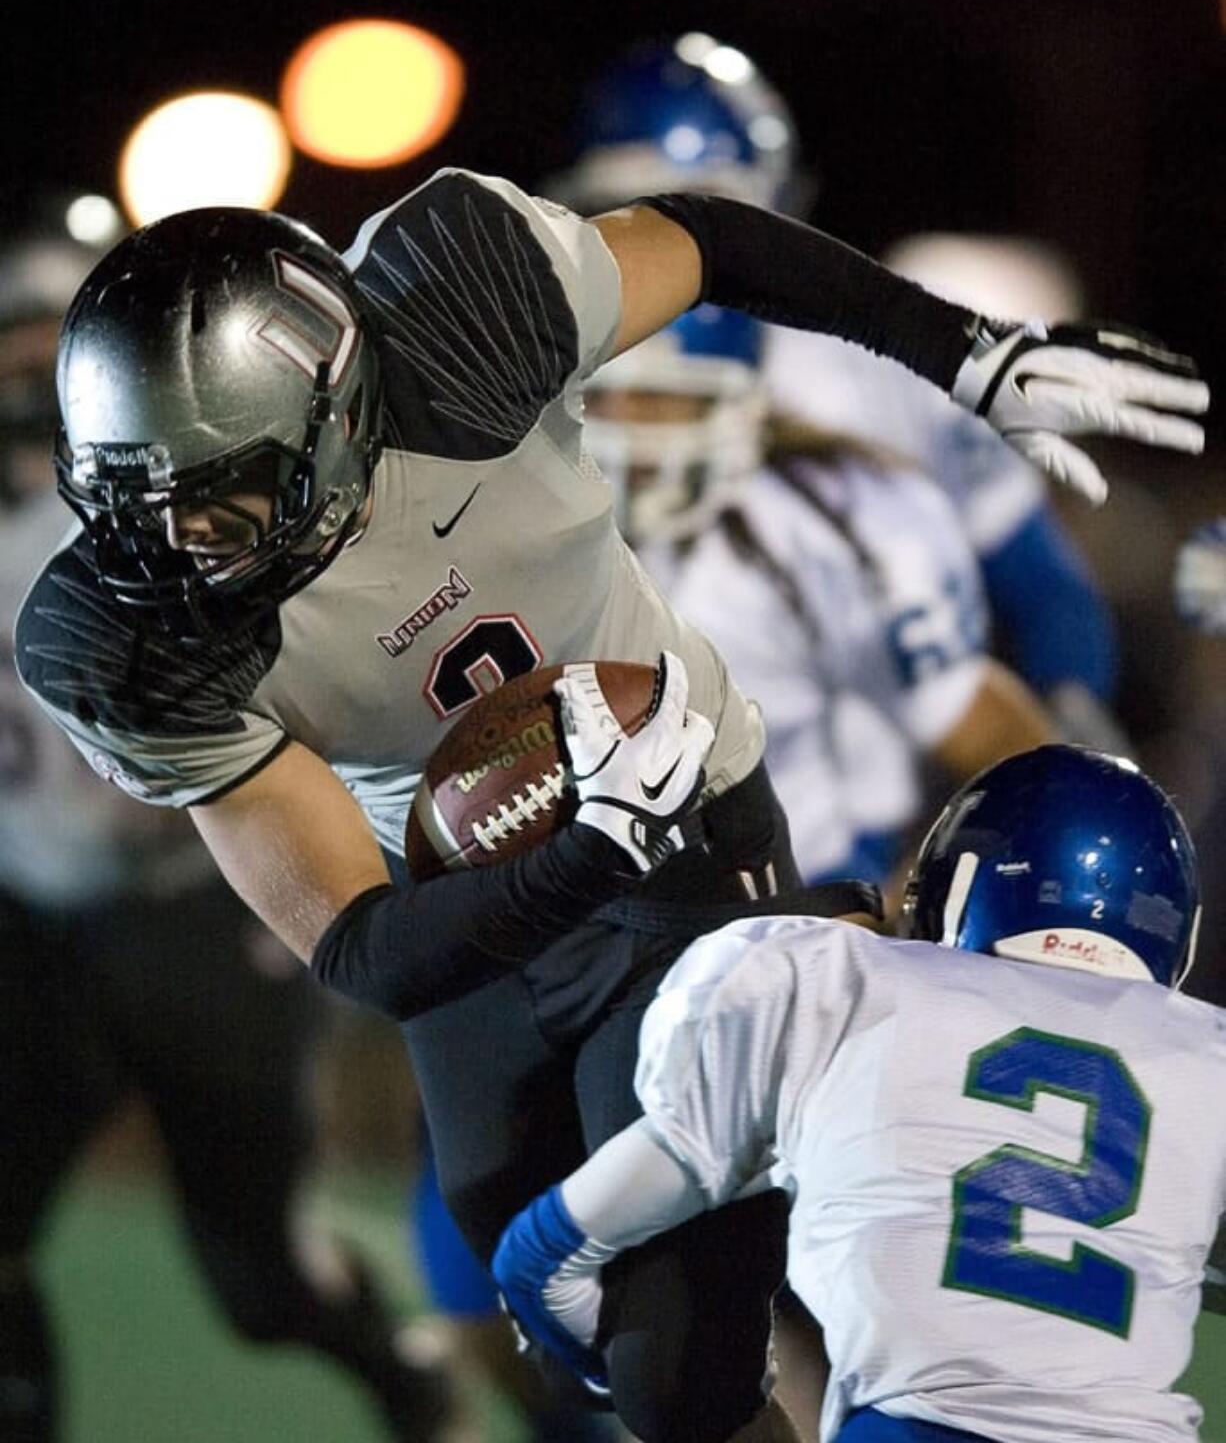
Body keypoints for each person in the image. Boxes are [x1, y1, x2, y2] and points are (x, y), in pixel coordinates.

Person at [15, 166, 1207, 1443]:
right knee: (525, 1296)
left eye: (222, 495)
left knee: (672, 1371)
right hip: (465, 905)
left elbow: (705, 239)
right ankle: (837, 966)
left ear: (336, 413)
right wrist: (576, 848)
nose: (183, 546)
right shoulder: (121, 639)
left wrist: (962, 354)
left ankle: (827, 1006)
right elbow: (363, 949)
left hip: (686, 829)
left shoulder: (464, 308)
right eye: (142, 506)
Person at [0, 229, 459, 1443]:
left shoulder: (187, 514)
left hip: (195, 909)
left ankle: (400, 1371)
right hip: (27, 920)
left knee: (263, 1284)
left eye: (45, 359)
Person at [493, 743, 1226, 1443]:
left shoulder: (842, 987)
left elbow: (543, 1257)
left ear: (958, 885)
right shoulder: (1205, 1055)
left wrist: (600, 1370)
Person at [552, 34, 1126, 751]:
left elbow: (1042, 590)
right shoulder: (541, 372)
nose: (685, 245)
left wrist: (1064, 738)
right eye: (629, 209)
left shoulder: (880, 380)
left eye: (715, 213)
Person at [582, 304, 1057, 896]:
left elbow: (992, 738)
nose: (624, 432)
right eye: (600, 400)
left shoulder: (837, 529)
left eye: (654, 401)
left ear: (736, 400)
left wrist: (908, 911)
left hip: (811, 897)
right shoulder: (527, 524)